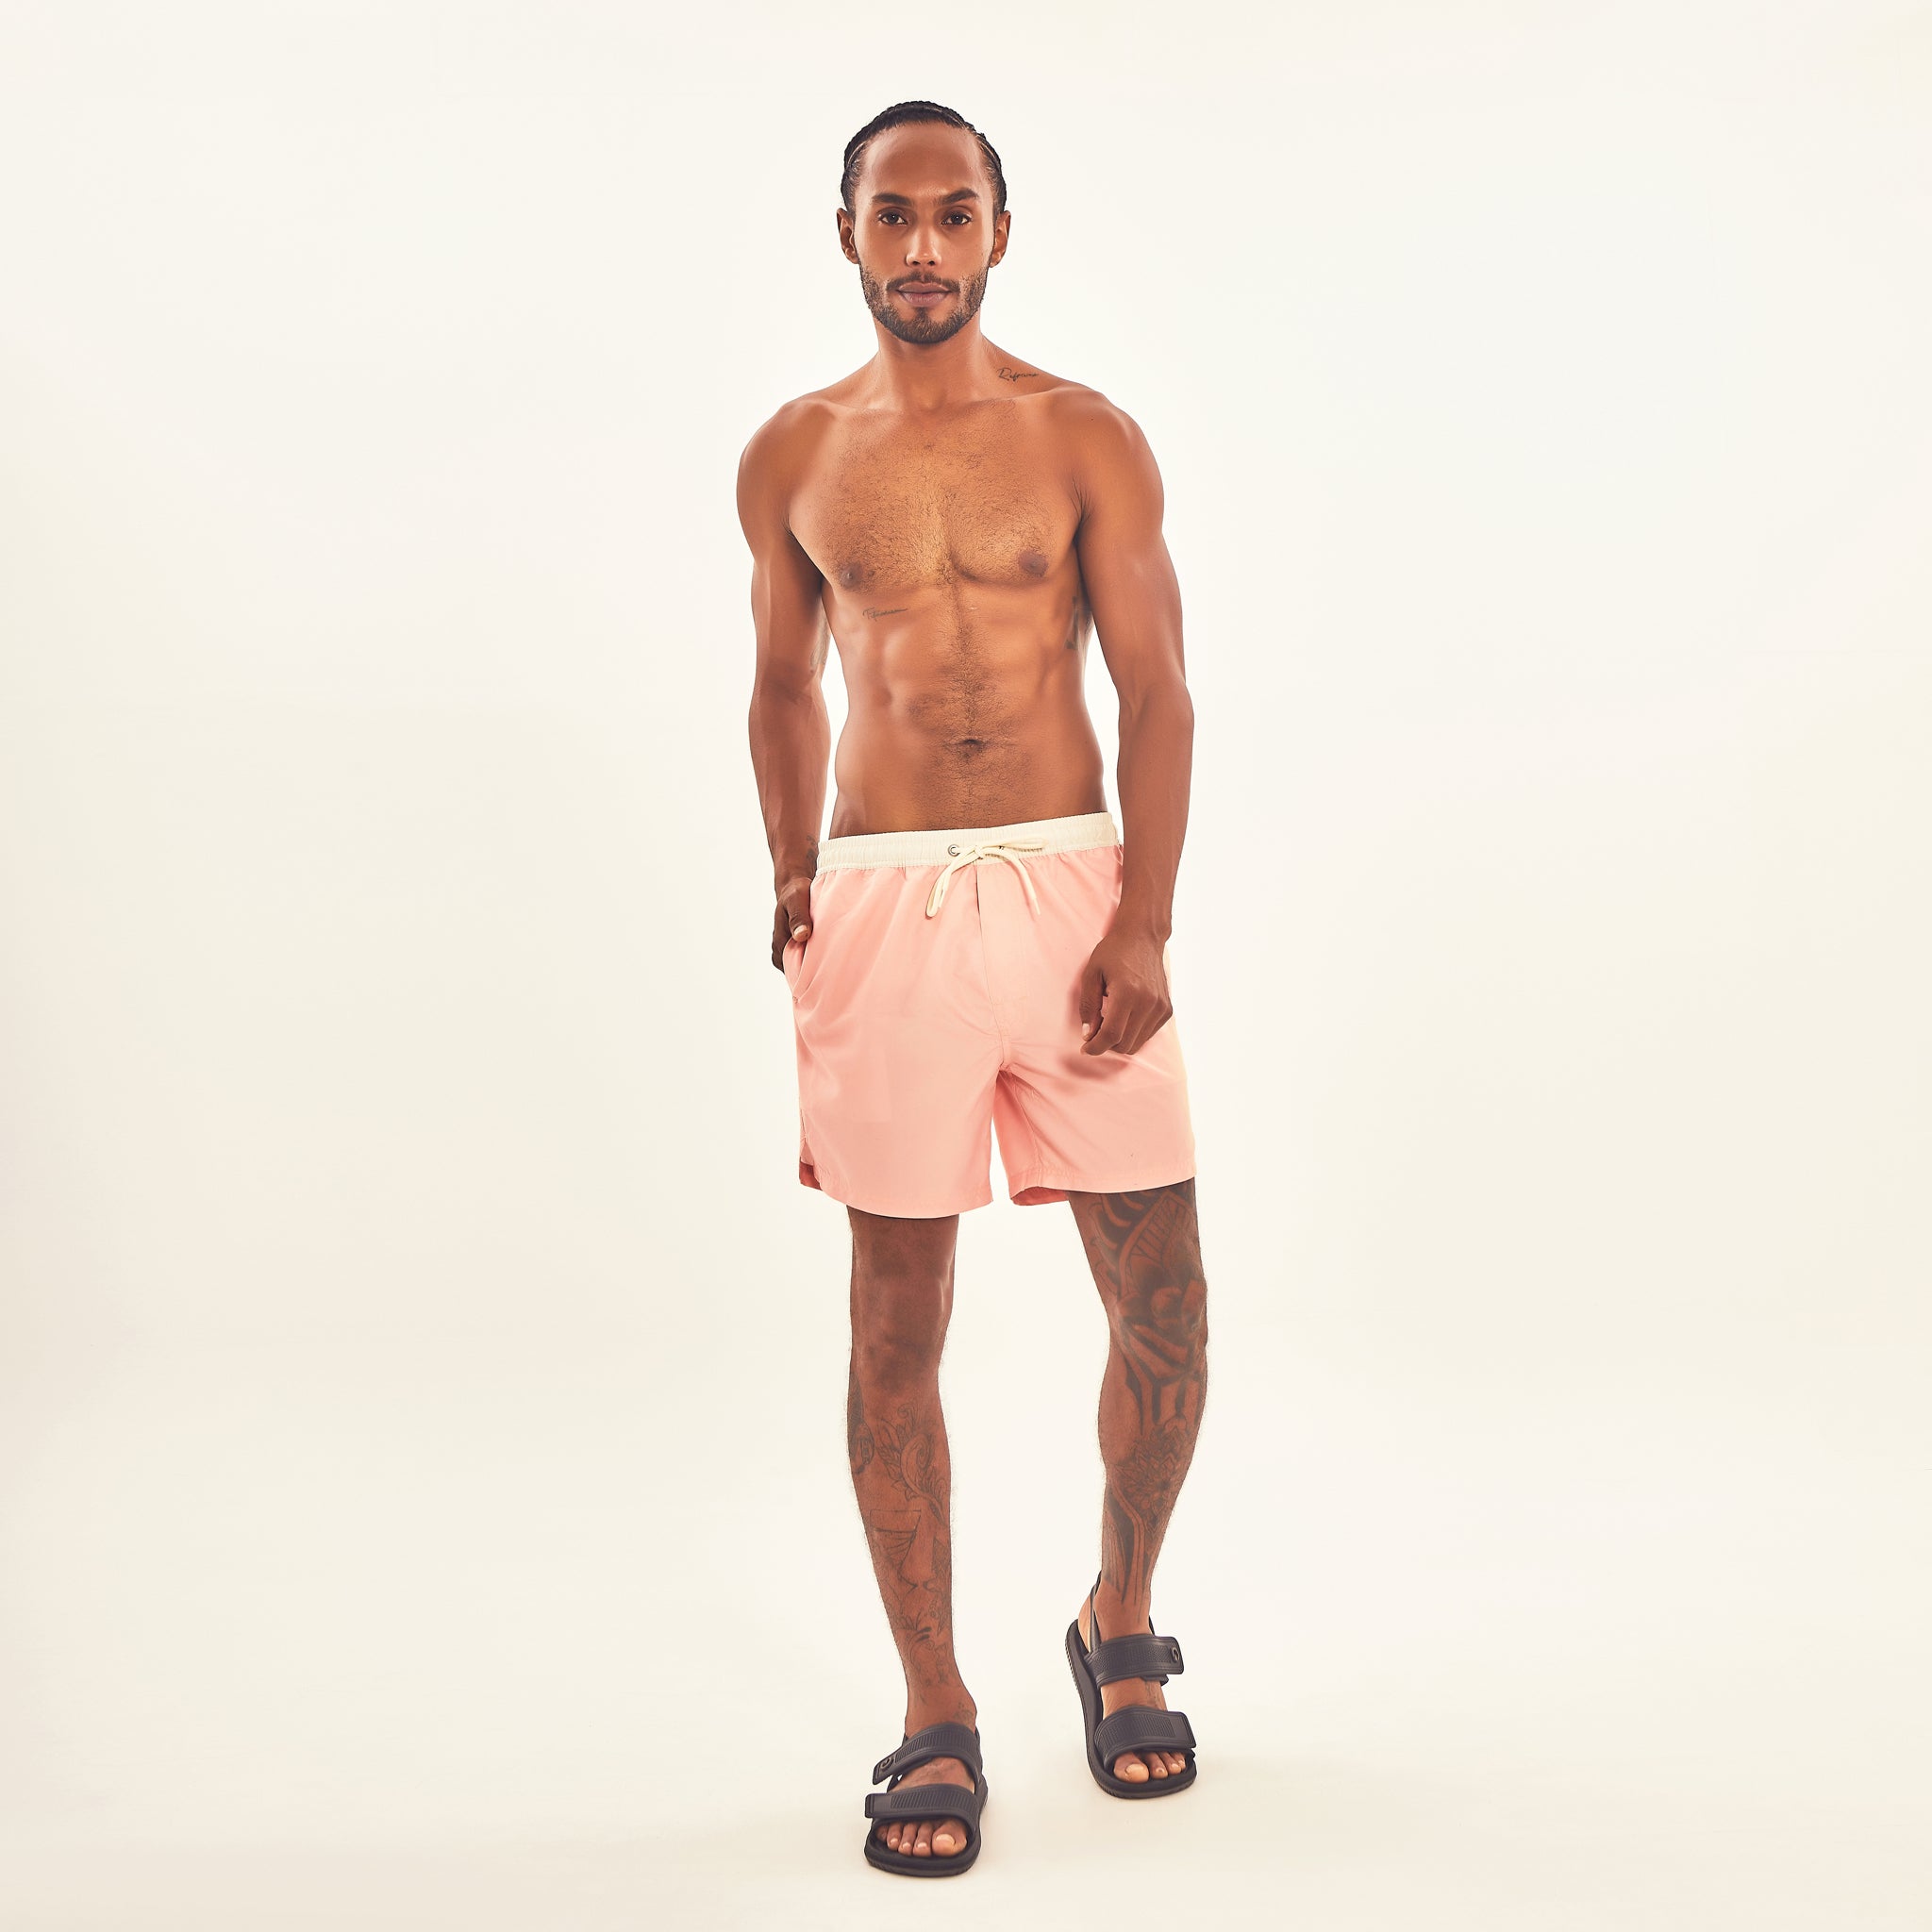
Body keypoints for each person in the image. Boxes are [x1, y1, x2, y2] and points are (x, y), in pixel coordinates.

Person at [739, 100, 1210, 1876]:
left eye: (954, 213)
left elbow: (1158, 689)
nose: (923, 245)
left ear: (1000, 231)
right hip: (883, 903)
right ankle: (935, 1704)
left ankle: (1119, 1614)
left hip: (1073, 893)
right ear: (847, 234)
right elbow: (783, 680)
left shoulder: (1083, 436)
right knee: (893, 1319)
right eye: (893, 215)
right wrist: (791, 862)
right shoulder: (791, 455)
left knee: (1165, 1301)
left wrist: (1145, 918)